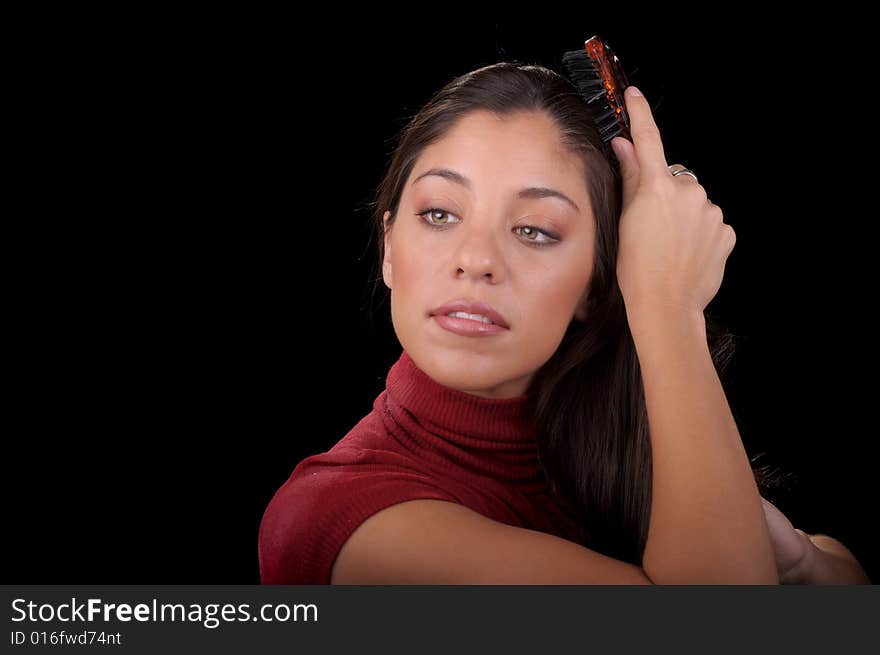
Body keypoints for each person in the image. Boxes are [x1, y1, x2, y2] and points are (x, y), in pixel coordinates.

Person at [258, 62, 870, 584]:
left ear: (598, 282)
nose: (476, 260)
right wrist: (665, 305)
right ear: (389, 246)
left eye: (534, 230)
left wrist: (797, 566)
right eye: (440, 214)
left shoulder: (623, 447)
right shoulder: (338, 519)